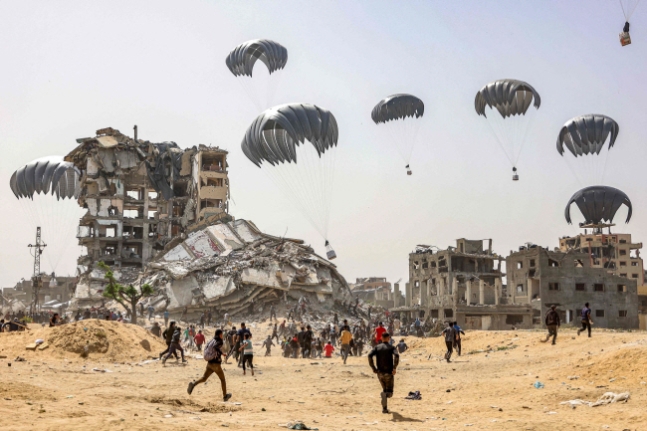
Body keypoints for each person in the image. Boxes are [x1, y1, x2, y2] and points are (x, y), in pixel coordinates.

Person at [187, 329, 232, 402]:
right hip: (216, 364)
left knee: (204, 378)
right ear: (219, 334)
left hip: (209, 363)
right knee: (222, 379)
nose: (222, 335)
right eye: (221, 334)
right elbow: (216, 347)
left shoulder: (212, 340)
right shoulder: (219, 341)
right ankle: (225, 396)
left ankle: (193, 384)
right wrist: (222, 353)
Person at [368, 332, 399, 414]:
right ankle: (385, 396)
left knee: (384, 390)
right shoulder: (391, 347)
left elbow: (369, 355)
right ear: (389, 338)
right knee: (389, 393)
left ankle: (384, 409)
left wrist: (373, 368)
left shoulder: (377, 347)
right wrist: (395, 367)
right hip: (389, 372)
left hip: (380, 373)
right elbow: (397, 356)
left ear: (381, 338)